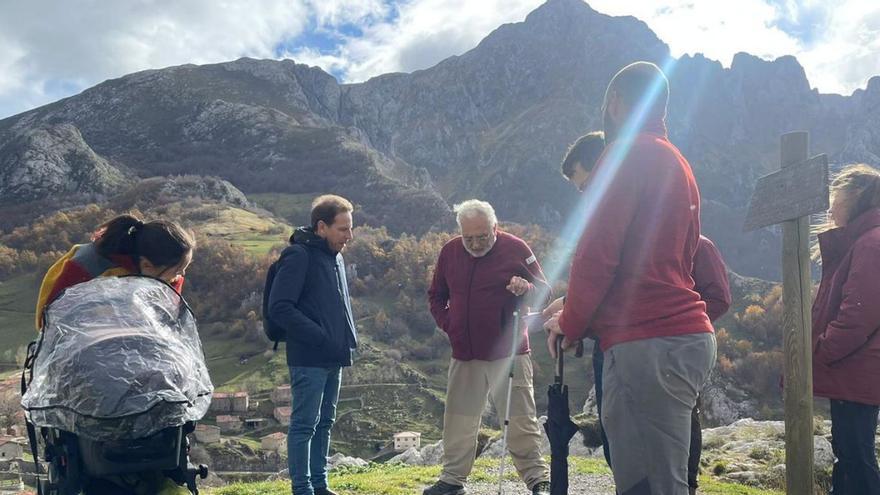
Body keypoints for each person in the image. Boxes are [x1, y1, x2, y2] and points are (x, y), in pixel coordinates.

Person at [544, 61, 716, 495]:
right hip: (666, 336)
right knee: (643, 475)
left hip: (650, 340)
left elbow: (598, 252)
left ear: (616, 103)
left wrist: (570, 324)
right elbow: (647, 261)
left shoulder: (626, 155)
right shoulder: (673, 160)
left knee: (657, 482)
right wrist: (575, 311)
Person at [35, 213, 195, 495]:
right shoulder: (82, 266)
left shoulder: (159, 274)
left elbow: (170, 324)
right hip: (87, 370)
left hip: (139, 370)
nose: (179, 278)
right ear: (146, 265)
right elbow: (48, 321)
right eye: (176, 271)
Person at [423, 199, 551, 495]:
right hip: (464, 351)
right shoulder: (451, 251)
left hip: (508, 354)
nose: (476, 244)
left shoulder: (517, 248)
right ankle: (453, 480)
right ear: (461, 232)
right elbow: (436, 295)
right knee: (458, 419)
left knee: (520, 418)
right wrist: (449, 324)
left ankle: (537, 479)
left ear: (495, 227)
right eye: (469, 238)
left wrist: (526, 289)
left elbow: (544, 292)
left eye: (483, 236)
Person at [267, 194, 358, 495]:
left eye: (350, 228)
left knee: (325, 422)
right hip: (308, 357)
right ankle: (302, 489)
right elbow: (280, 307)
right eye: (343, 229)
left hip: (334, 354)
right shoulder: (298, 256)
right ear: (322, 227)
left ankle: (320, 486)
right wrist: (318, 335)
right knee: (305, 424)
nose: (349, 236)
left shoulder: (336, 257)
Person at [812, 164, 880, 494]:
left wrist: (821, 349)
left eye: (836, 196)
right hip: (857, 368)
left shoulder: (870, 244)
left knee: (855, 455)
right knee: (850, 453)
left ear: (855, 197)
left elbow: (858, 316)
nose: (831, 205)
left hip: (857, 366)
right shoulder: (867, 240)